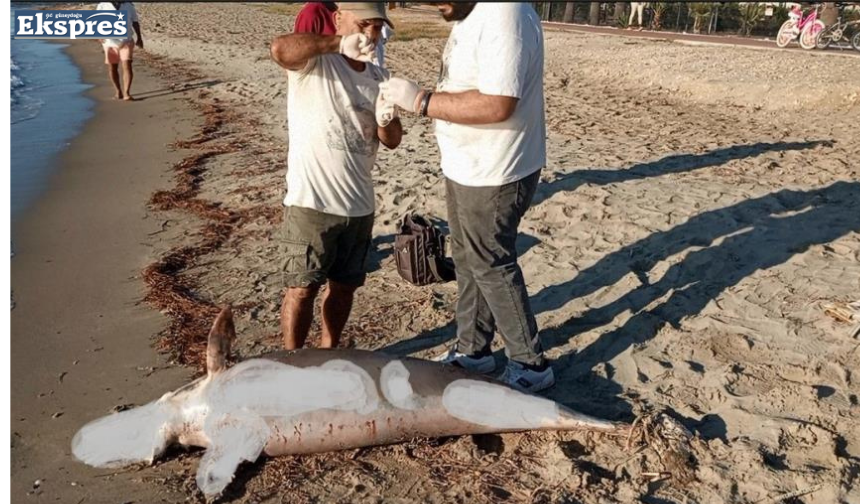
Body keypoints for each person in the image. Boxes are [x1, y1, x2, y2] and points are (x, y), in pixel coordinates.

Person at [379, 3, 553, 392]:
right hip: (467, 164)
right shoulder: (471, 13)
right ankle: (474, 351)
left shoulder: (503, 13)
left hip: (497, 168)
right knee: (467, 257)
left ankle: (530, 364)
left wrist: (421, 101)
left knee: (491, 262)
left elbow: (497, 103)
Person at [270, 3, 402, 351]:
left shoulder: (379, 77)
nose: (370, 35)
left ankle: (329, 350)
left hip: (359, 206)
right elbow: (280, 49)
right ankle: (293, 359)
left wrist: (387, 118)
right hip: (312, 201)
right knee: (301, 288)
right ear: (337, 19)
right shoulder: (316, 63)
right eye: (363, 25)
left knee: (344, 287)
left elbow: (391, 141)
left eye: (376, 27)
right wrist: (335, 44)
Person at [96, 1, 143, 101]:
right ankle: (118, 91)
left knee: (127, 65)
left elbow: (135, 22)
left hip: (126, 40)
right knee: (112, 67)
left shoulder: (128, 5)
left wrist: (139, 37)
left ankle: (127, 93)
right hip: (109, 41)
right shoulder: (102, 5)